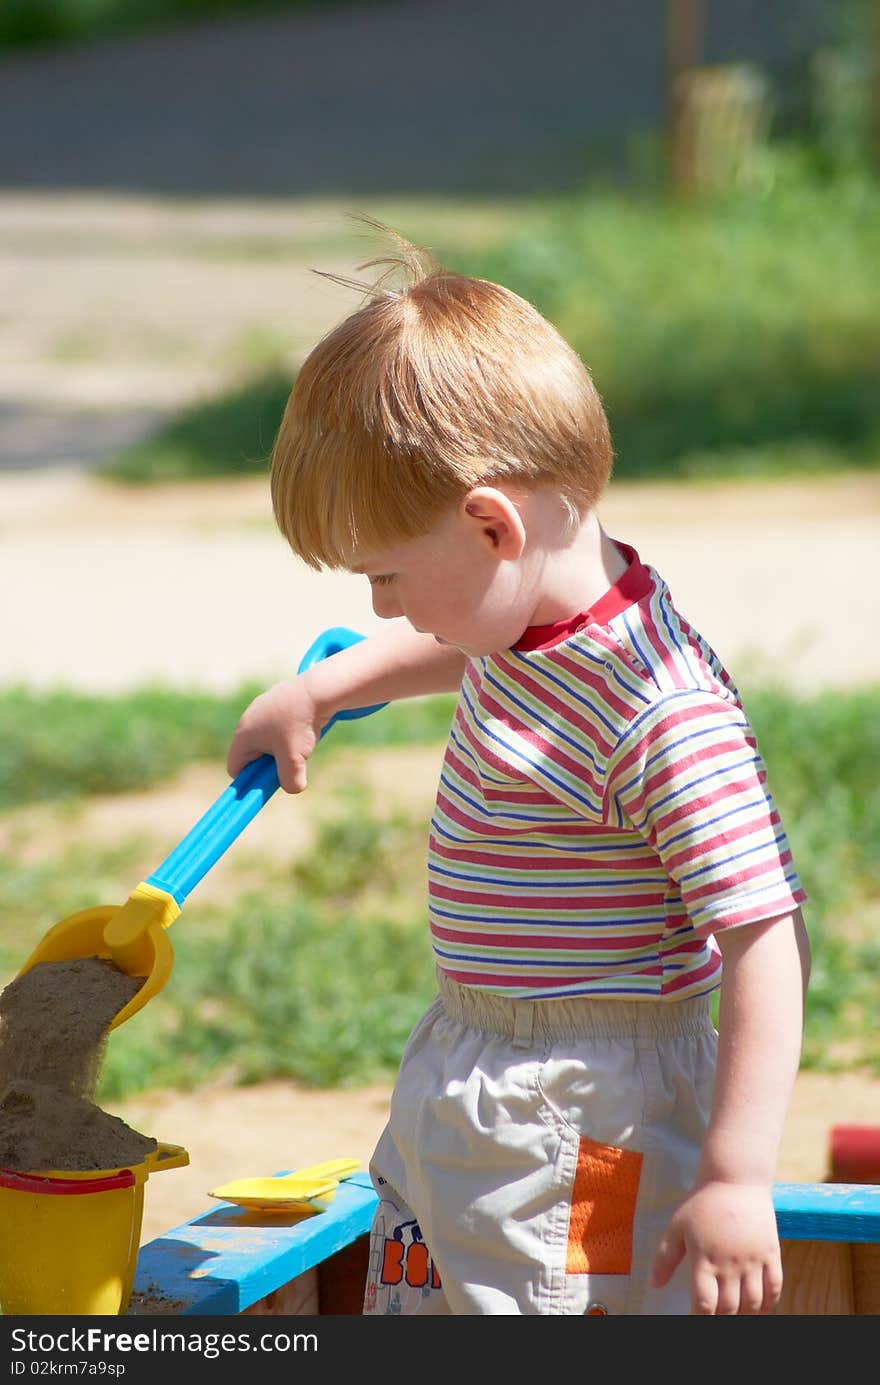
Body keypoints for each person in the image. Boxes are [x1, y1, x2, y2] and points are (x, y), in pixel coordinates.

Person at [226, 225, 811, 1316]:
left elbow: (763, 936)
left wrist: (736, 1171)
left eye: (387, 573)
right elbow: (466, 642)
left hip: (587, 1111)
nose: (379, 607)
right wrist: (329, 687)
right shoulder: (535, 619)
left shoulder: (659, 712)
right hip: (480, 1055)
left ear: (491, 525)